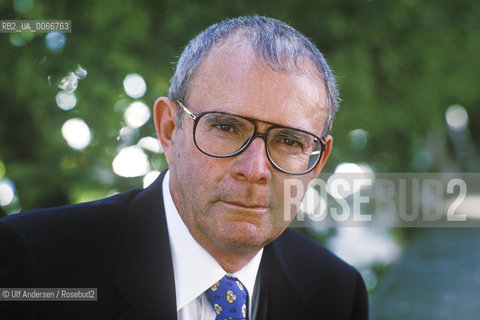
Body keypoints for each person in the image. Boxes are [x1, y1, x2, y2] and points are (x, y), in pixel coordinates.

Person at [0, 16, 368, 319]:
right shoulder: (35, 262)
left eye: (289, 141)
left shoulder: (336, 292)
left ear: (316, 161)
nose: (254, 169)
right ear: (169, 129)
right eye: (226, 127)